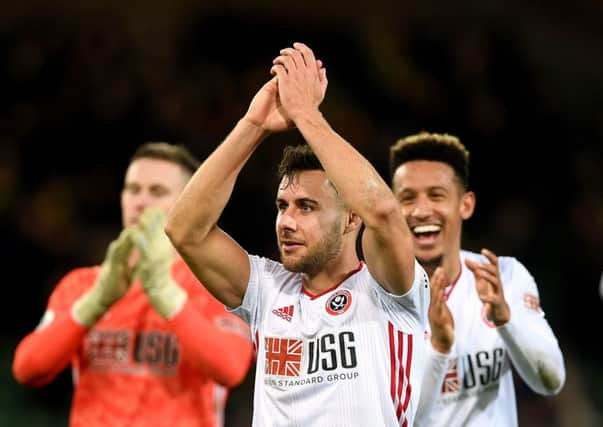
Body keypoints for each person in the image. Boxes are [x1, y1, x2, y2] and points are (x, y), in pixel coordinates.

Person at [165, 42, 429, 427]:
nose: (286, 220)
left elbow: (385, 212)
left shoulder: (391, 292)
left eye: (306, 207)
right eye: (282, 206)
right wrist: (252, 126)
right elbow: (183, 230)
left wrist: (307, 115)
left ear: (351, 219)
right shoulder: (267, 292)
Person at [13, 142, 253, 427]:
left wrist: (165, 294)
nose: (140, 201)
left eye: (157, 192)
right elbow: (28, 369)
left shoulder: (215, 285)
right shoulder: (82, 284)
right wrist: (97, 301)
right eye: (133, 189)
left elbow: (231, 368)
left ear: (189, 205)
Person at [389, 131, 566, 426]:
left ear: (465, 205)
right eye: (407, 198)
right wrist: (439, 349)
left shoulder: (504, 277)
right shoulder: (376, 297)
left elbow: (551, 381)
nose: (421, 211)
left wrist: (505, 319)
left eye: (436, 195)